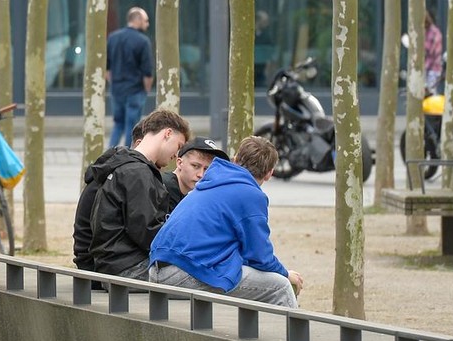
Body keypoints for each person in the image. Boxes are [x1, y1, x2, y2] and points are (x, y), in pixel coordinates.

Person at [148, 135, 304, 307]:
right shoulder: (251, 195)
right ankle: (295, 335)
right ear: (269, 174)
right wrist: (285, 274)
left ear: (235, 160)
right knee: (280, 287)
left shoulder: (213, 180)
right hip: (181, 274)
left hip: (157, 269)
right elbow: (260, 256)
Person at [84, 108, 190, 278]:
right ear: (168, 133)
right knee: (213, 277)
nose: (176, 155)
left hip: (116, 264)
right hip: (129, 267)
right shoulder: (137, 172)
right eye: (178, 146)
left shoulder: (126, 166)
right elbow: (148, 232)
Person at [74, 116, 148, 271]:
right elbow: (142, 231)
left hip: (92, 262)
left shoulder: (109, 169)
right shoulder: (128, 175)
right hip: (97, 266)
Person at [106, 7, 154, 147]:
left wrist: (114, 82)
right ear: (137, 20)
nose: (147, 24)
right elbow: (147, 71)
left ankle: (109, 156)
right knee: (132, 127)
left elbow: (107, 67)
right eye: (146, 20)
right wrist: (146, 89)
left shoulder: (113, 37)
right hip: (135, 89)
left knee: (118, 124)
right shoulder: (143, 41)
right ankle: (127, 156)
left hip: (117, 89)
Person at [163, 137, 228, 208]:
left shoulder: (193, 195)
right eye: (195, 166)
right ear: (180, 163)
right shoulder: (162, 188)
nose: (201, 175)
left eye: (207, 169)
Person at [423, 9, 444, 96]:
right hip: (425, 67)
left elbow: (434, 52)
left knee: (431, 92)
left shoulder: (435, 33)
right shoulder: (425, 32)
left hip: (434, 68)